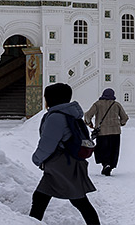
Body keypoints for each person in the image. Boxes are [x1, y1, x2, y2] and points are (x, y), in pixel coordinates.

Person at [29, 82, 101, 224]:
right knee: (41, 198)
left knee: (78, 200)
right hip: (69, 163)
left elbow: (48, 143)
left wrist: (37, 159)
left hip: (61, 166)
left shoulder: (56, 117)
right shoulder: (71, 114)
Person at [83, 88, 128, 176]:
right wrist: (120, 123)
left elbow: (87, 115)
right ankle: (110, 166)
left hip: (102, 132)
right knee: (113, 150)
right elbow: (125, 117)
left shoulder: (97, 104)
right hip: (115, 132)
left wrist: (89, 123)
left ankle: (105, 164)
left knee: (102, 149)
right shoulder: (116, 104)